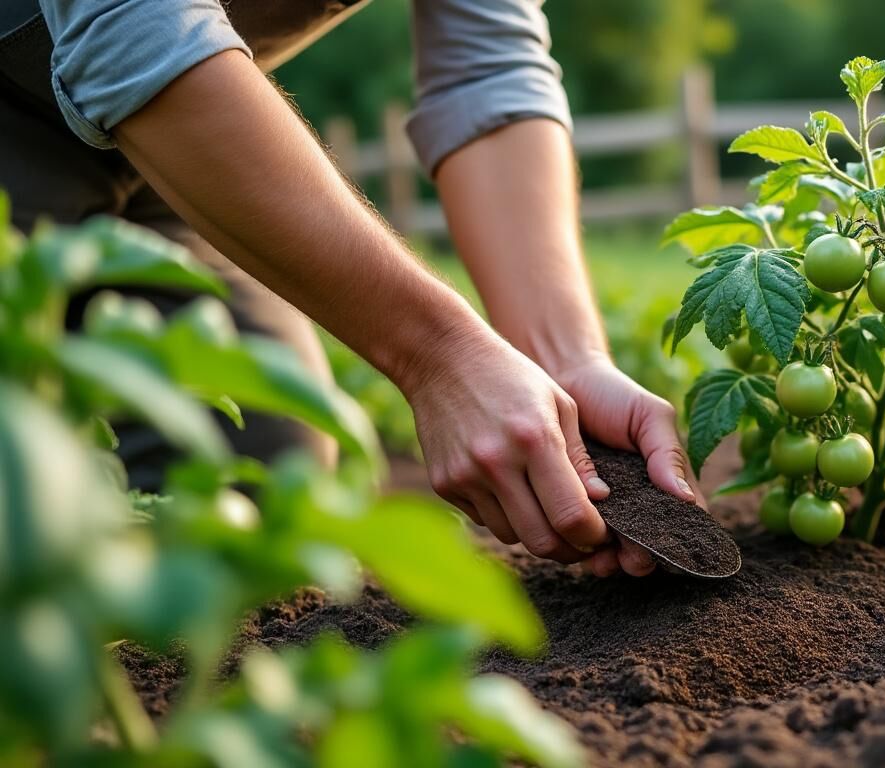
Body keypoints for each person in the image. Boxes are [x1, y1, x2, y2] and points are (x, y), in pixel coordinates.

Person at [0, 0, 702, 578]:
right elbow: (130, 25)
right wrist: (440, 355)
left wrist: (565, 359)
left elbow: (488, 65)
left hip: (166, 144)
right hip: (79, 101)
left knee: (258, 478)